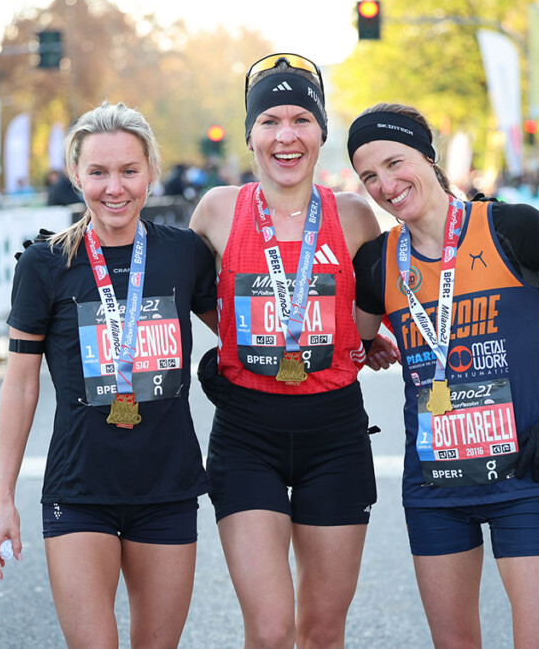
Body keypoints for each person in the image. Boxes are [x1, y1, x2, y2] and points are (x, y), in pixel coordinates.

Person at [349, 103, 539, 648]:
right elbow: (347, 350)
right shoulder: (376, 262)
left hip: (524, 477)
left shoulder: (512, 227)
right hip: (434, 489)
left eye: (394, 163)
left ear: (428, 157)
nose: (385, 186)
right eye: (368, 176)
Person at [0, 101, 217, 648]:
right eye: (98, 172)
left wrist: (357, 337)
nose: (115, 188)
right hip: (79, 490)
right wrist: (3, 501)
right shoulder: (45, 264)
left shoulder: (183, 254)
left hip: (167, 488)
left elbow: (242, 335)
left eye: (129, 170)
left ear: (151, 171)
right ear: (76, 175)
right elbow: (20, 384)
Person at [189, 53, 381, 648]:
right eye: (269, 121)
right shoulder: (218, 209)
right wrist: (240, 336)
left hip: (335, 435)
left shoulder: (354, 216)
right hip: (247, 434)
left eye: (301, 120)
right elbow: (184, 288)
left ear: (321, 133)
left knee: (321, 630)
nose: (286, 135)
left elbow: (374, 301)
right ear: (250, 135)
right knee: (271, 630)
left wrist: (362, 339)